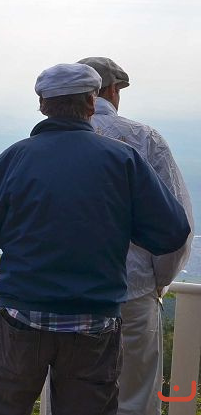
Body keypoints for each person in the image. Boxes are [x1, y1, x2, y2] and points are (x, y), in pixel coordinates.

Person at [0, 63, 190, 415]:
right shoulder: (123, 159)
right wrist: (121, 226)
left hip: (22, 317)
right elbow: (171, 232)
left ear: (42, 105)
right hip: (94, 323)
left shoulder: (15, 158)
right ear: (90, 102)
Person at [76, 56, 194, 415]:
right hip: (132, 290)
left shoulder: (52, 143)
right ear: (113, 90)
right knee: (135, 399)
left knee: (70, 398)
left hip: (65, 296)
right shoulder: (145, 139)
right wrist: (157, 280)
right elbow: (177, 225)